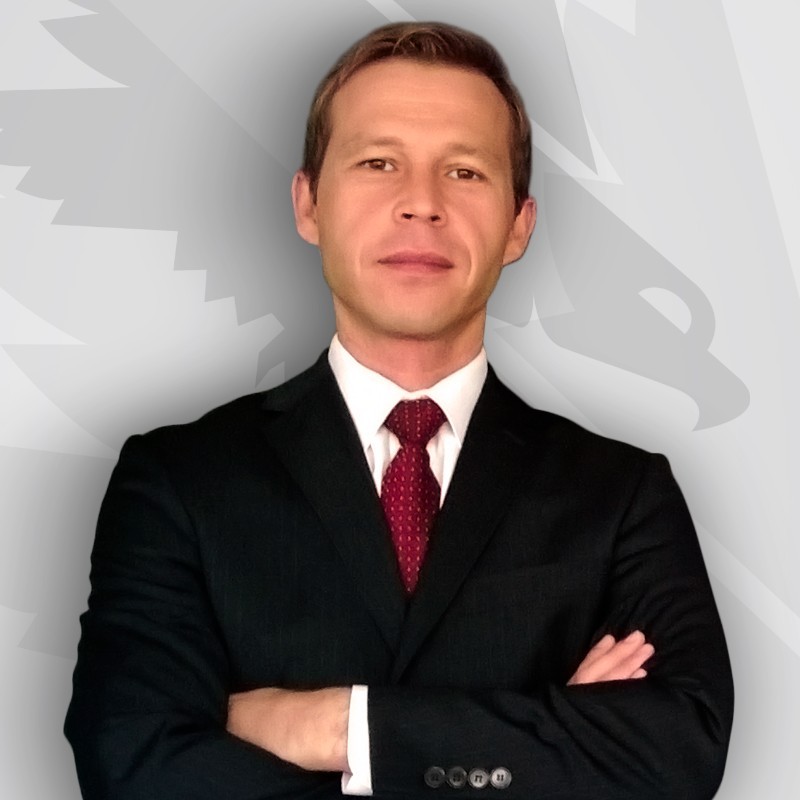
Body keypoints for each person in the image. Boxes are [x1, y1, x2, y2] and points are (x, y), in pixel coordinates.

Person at [64, 21, 733, 799]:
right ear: (309, 204)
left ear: (519, 225)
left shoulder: (622, 494)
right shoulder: (178, 481)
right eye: (379, 162)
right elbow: (134, 765)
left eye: (465, 171)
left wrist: (340, 728)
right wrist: (550, 748)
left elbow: (677, 752)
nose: (421, 203)